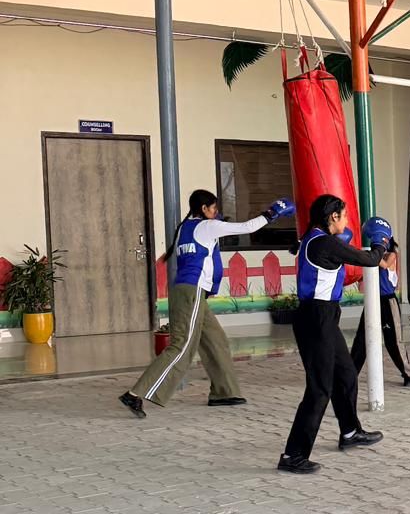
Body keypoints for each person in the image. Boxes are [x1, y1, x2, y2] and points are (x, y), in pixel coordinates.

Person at [120, 190, 293, 418]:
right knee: (182, 346)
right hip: (191, 292)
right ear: (204, 209)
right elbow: (248, 227)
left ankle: (224, 393)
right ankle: (135, 394)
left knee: (216, 340)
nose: (216, 212)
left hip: (190, 292)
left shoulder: (185, 227)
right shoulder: (207, 226)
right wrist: (272, 213)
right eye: (214, 208)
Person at [278, 195, 387, 474]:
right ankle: (293, 455)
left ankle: (350, 431)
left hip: (323, 317)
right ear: (333, 217)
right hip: (316, 318)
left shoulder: (312, 238)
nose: (347, 220)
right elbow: (371, 259)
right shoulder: (325, 243)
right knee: (319, 389)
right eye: (344, 214)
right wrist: (381, 240)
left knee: (346, 374)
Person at [349, 216, 410, 387]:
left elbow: (384, 264)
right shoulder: (370, 257)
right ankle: (350, 374)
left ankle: (407, 374)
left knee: (394, 340)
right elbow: (362, 287)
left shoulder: (391, 255)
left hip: (388, 301)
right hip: (373, 299)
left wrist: (370, 253)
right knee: (361, 338)